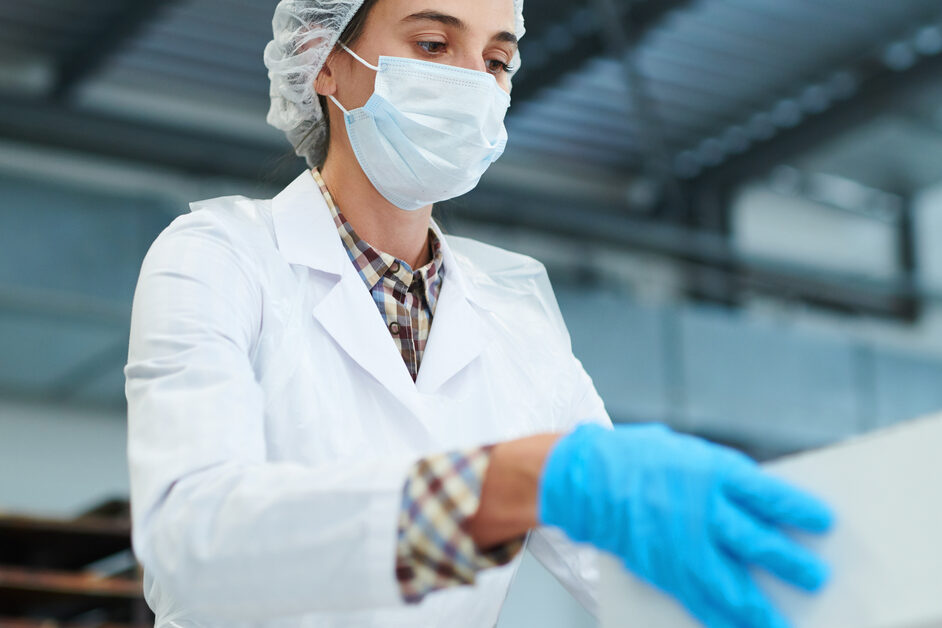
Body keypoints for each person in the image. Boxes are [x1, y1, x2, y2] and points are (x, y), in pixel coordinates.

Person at [123, 0, 836, 626]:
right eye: (433, 45)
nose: (471, 83)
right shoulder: (221, 258)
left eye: (496, 58)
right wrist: (514, 481)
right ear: (324, 64)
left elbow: (625, 572)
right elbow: (192, 541)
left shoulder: (514, 313)